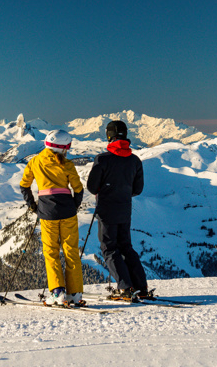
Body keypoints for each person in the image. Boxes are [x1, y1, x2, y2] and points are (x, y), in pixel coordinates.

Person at [20, 129, 84, 305]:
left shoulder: (35, 161)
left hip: (47, 211)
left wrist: (33, 206)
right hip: (68, 210)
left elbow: (24, 185)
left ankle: (58, 292)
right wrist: (74, 206)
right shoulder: (68, 165)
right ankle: (76, 293)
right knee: (71, 251)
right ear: (64, 147)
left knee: (51, 252)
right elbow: (78, 189)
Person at [87, 120, 148, 301]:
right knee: (126, 248)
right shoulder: (134, 160)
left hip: (106, 211)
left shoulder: (103, 159)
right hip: (125, 210)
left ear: (109, 135)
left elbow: (92, 187)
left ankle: (125, 288)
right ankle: (141, 287)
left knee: (109, 249)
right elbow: (137, 190)